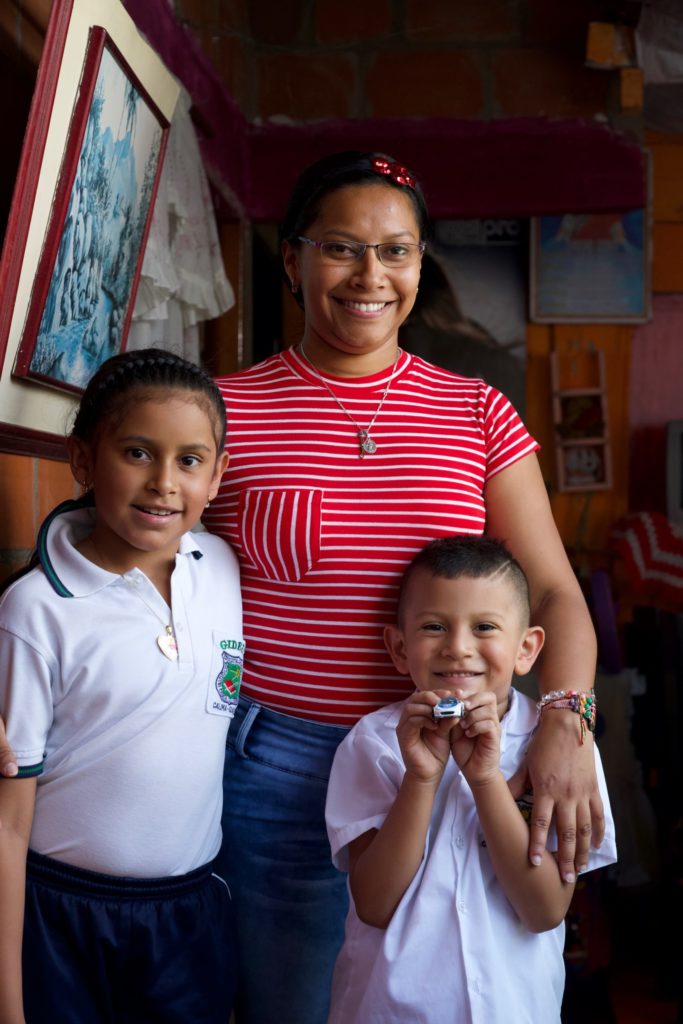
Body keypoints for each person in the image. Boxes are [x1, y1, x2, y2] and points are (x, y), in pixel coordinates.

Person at [0, 152, 605, 1024]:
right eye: (341, 248)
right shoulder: (223, 415)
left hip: (451, 754)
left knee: (448, 993)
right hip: (273, 768)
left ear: (419, 264)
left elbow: (550, 590)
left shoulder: (477, 411)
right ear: (291, 261)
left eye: (396, 251)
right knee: (293, 1001)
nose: (370, 275)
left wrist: (565, 715)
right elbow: (128, 564)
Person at [0, 349, 243, 1024]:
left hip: (189, 910)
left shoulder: (220, 567)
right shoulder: (35, 610)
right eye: (137, 453)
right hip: (60, 913)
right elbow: (6, 820)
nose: (165, 482)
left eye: (190, 460)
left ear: (217, 476)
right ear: (82, 461)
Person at [325, 535, 617, 1023]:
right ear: (399, 648)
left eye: (484, 627)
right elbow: (374, 905)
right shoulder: (373, 744)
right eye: (434, 626)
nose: (458, 648)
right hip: (389, 1010)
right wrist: (420, 778)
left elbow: (544, 909)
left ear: (527, 649)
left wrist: (485, 780)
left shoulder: (555, 751)